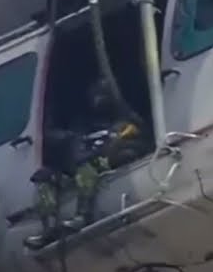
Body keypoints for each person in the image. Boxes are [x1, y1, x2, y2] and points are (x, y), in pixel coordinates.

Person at [23, 77, 150, 249]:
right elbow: (73, 145)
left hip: (108, 161)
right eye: (96, 96)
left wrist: (115, 145)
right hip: (84, 163)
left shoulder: (124, 118)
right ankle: (49, 228)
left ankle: (83, 215)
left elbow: (140, 140)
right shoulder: (82, 123)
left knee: (86, 169)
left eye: (103, 95)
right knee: (45, 178)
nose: (98, 100)